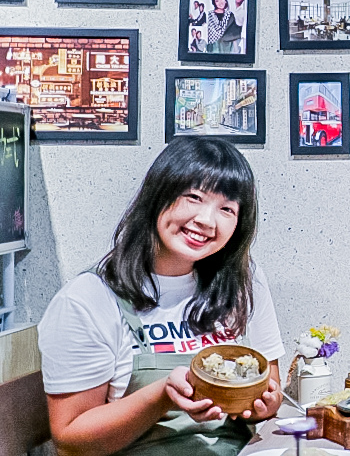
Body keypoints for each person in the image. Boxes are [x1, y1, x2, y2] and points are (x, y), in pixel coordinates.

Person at [37, 137, 285, 455]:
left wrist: (265, 404)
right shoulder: (87, 300)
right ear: (158, 195)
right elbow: (72, 439)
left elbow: (270, 386)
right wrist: (162, 396)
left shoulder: (242, 280)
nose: (207, 221)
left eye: (226, 208)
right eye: (193, 197)